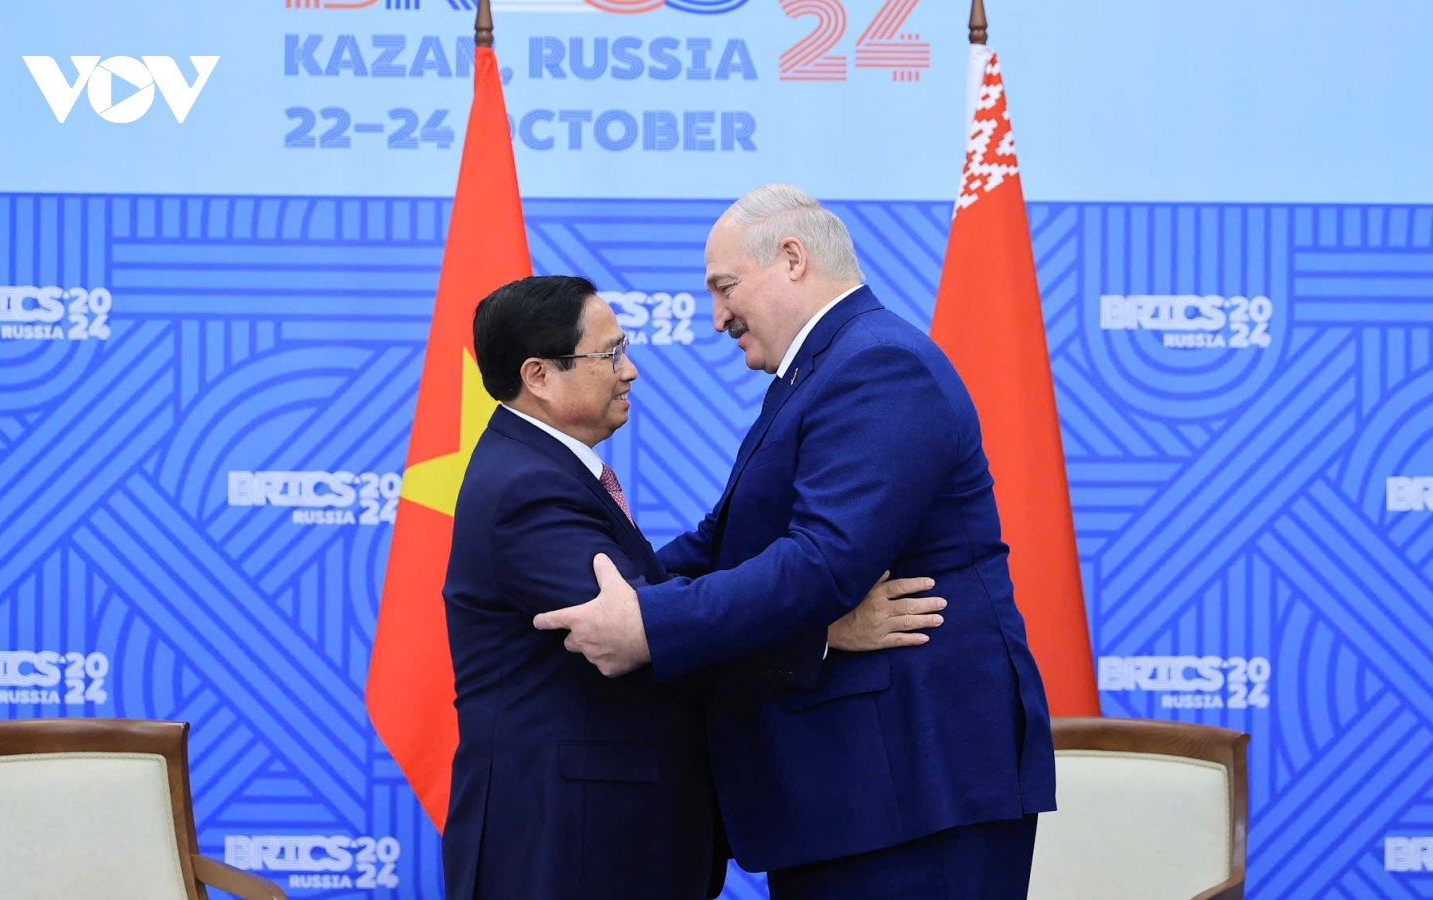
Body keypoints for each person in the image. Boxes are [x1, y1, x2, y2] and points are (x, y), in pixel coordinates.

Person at [534, 185, 1058, 900]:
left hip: (915, 789)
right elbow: (727, 541)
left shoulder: (879, 365)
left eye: (724, 287)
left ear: (791, 258)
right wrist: (614, 587)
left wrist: (649, 624)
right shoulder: (824, 369)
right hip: (857, 794)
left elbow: (822, 564)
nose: (717, 317)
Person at [442, 274, 947, 900]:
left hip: (600, 836)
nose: (630, 371)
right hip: (567, 841)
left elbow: (657, 602)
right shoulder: (526, 488)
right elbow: (641, 632)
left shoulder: (541, 468)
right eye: (610, 354)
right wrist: (822, 633)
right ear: (539, 375)